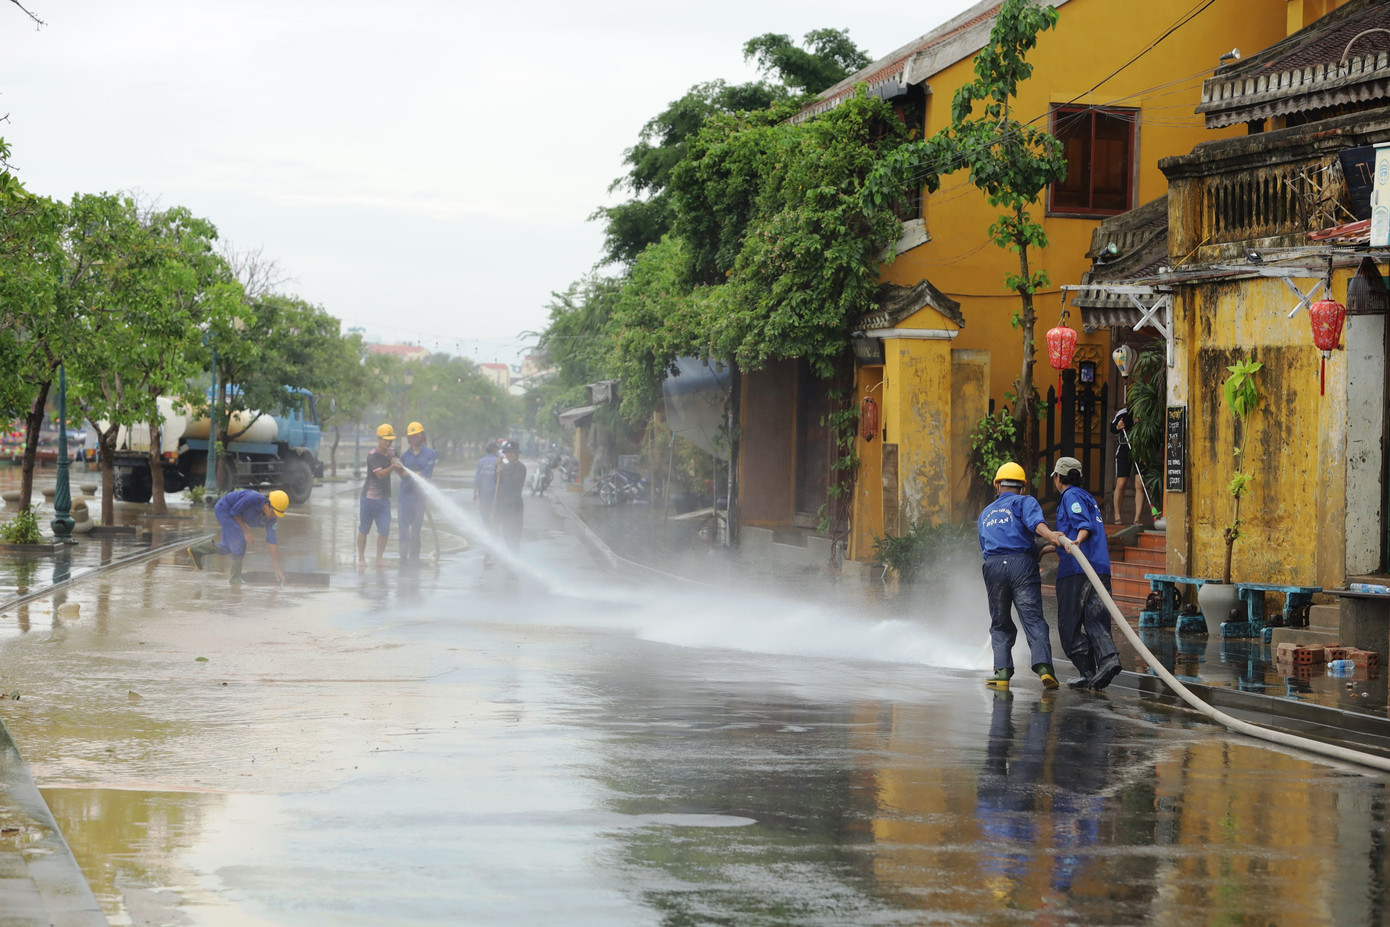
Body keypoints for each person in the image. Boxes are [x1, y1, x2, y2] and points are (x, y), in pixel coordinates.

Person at [978, 461, 1066, 690]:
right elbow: (1036, 523)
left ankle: (1002, 673)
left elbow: (986, 546)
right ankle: (1045, 669)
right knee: (1033, 618)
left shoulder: (985, 513)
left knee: (1000, 623)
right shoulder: (1025, 501)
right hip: (1022, 566)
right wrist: (1052, 536)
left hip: (993, 567)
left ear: (997, 486)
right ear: (1023, 487)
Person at [1042, 457, 1123, 691]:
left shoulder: (1070, 496)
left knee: (1068, 625)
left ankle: (1088, 670)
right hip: (1099, 567)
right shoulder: (1089, 498)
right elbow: (1071, 535)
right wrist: (1043, 549)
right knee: (1095, 618)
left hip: (1077, 570)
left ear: (1059, 477)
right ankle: (1107, 661)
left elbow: (1083, 525)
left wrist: (1077, 541)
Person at [188, 488, 288, 585]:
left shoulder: (272, 520)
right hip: (224, 510)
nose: (275, 516)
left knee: (227, 548)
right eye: (274, 512)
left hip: (234, 516)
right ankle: (235, 579)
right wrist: (246, 532)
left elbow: (272, 542)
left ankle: (197, 550)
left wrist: (276, 569)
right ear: (267, 505)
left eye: (278, 514)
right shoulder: (251, 498)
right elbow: (235, 513)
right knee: (240, 541)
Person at [358, 423, 402, 569]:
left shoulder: (392, 452)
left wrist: (397, 462)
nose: (389, 443)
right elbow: (380, 474)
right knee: (364, 529)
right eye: (386, 440)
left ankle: (379, 559)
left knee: (384, 530)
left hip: (384, 499)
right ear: (379, 439)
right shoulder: (372, 456)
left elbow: (397, 463)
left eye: (391, 440)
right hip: (369, 498)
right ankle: (361, 558)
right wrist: (393, 466)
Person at [397, 420, 436, 567]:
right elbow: (401, 473)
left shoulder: (430, 454)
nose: (415, 439)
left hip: (419, 499)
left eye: (418, 435)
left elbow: (426, 474)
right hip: (404, 498)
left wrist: (408, 472)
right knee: (403, 531)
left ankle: (414, 559)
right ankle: (403, 559)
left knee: (415, 532)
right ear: (409, 438)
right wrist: (407, 471)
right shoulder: (405, 456)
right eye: (412, 436)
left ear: (423, 436)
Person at [1110, 407, 1143, 526]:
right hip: (1124, 449)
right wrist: (1118, 426)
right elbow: (1112, 428)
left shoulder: (1146, 410)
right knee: (1121, 483)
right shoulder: (1123, 413)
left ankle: (1137, 518)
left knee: (1139, 484)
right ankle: (1117, 515)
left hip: (1141, 450)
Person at [492, 441, 526, 553]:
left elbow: (514, 483)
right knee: (505, 533)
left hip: (514, 506)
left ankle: (514, 556)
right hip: (504, 505)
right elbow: (496, 481)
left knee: (513, 534)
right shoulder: (505, 467)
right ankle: (509, 555)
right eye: (507, 452)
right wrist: (497, 468)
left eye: (512, 452)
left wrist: (501, 472)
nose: (509, 455)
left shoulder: (520, 467)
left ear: (517, 454)